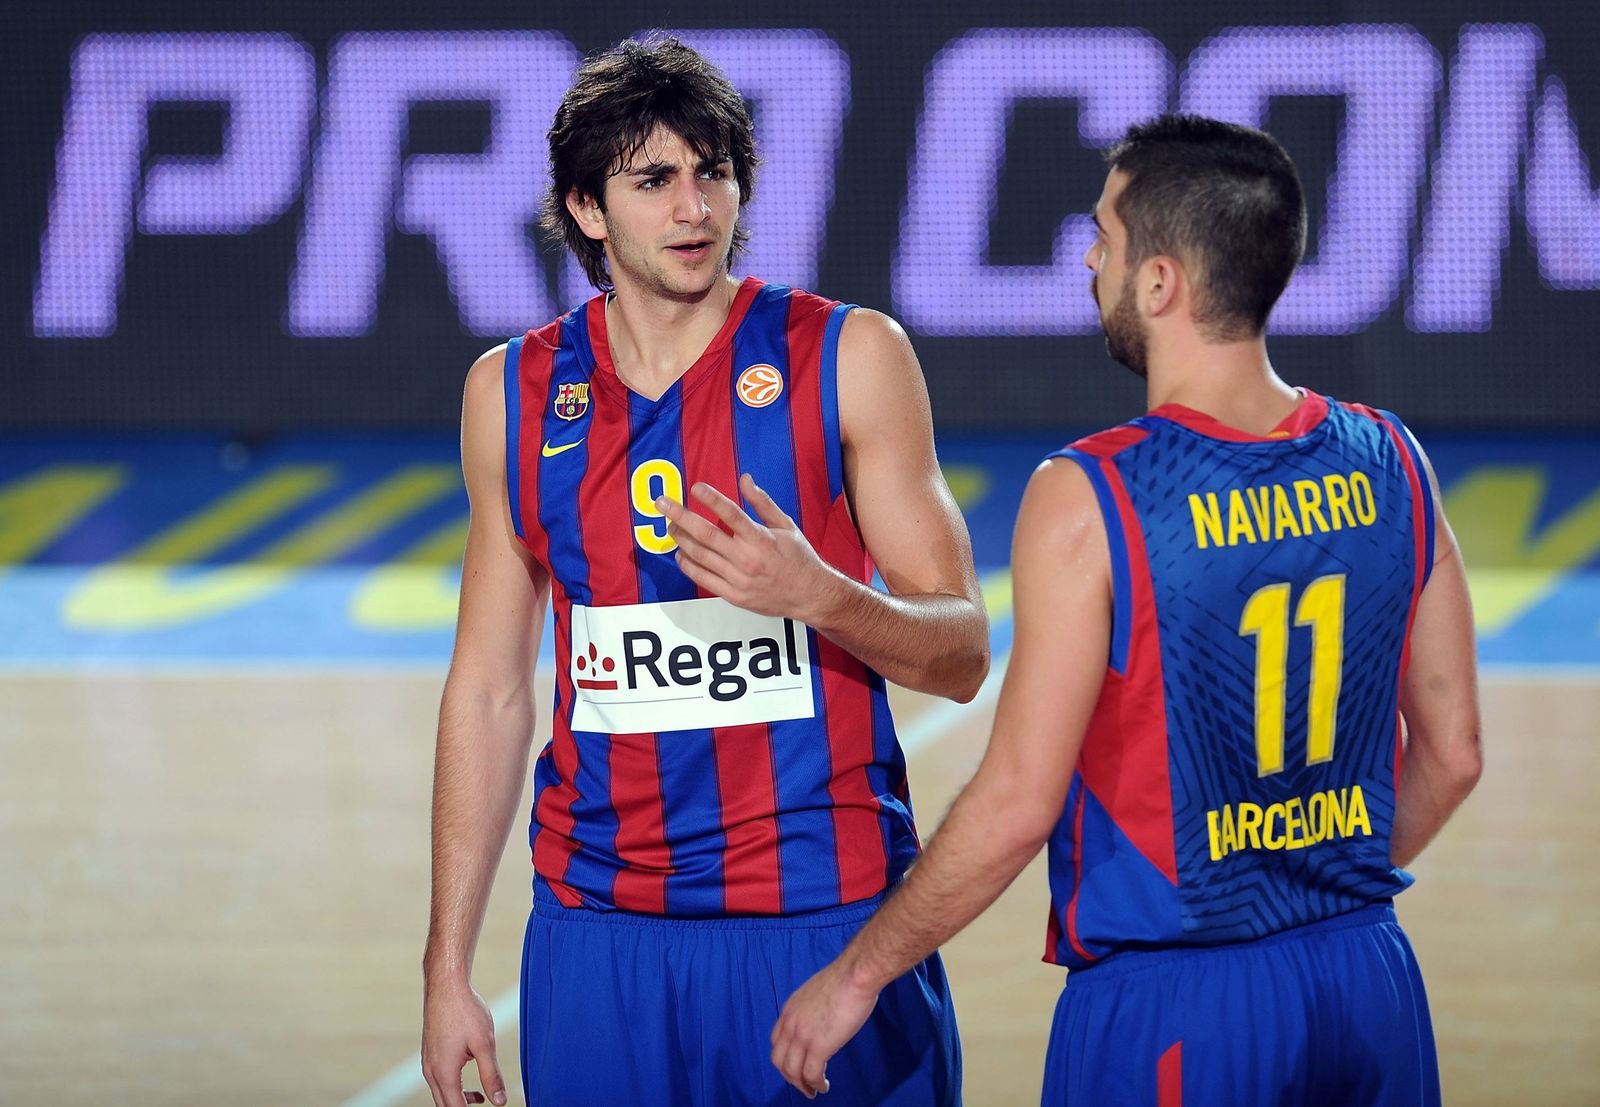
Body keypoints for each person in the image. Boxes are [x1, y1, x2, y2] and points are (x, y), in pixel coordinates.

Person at [772, 114, 1483, 1105]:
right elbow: (1452, 754)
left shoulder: (1095, 493)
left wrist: (858, 974)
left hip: (1175, 1007)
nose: (1091, 259)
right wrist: (1315, 888)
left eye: (1105, 235)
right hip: (1366, 979)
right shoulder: (1392, 457)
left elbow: (1017, 803)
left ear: (1160, 283)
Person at [420, 34, 985, 1107]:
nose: (694, 209)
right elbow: (490, 690)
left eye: (712, 172)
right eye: (655, 181)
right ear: (586, 209)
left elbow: (960, 653)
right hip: (598, 937)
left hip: (823, 924)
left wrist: (816, 593)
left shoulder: (849, 356)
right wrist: (448, 969)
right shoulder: (512, 393)